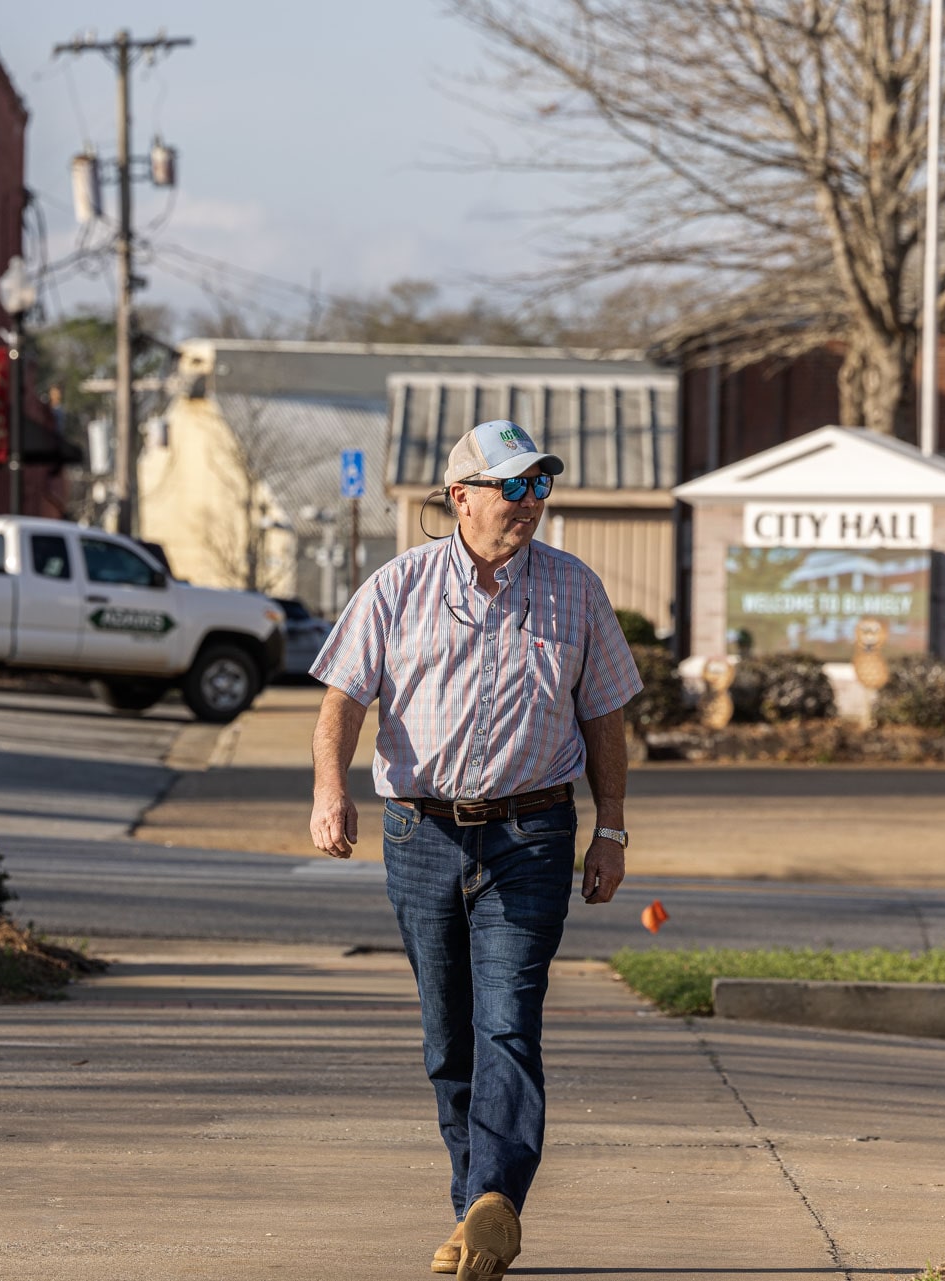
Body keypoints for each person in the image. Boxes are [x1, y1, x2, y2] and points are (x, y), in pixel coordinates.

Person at [307, 420, 641, 1281]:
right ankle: (476, 1207)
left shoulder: (575, 589)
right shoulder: (398, 587)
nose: (530, 503)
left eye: (540, 487)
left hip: (533, 833)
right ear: (462, 495)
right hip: (420, 833)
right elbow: (343, 697)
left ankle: (496, 1198)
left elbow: (604, 714)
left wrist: (611, 827)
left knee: (508, 1020)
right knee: (447, 1038)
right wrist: (330, 790)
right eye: (513, 486)